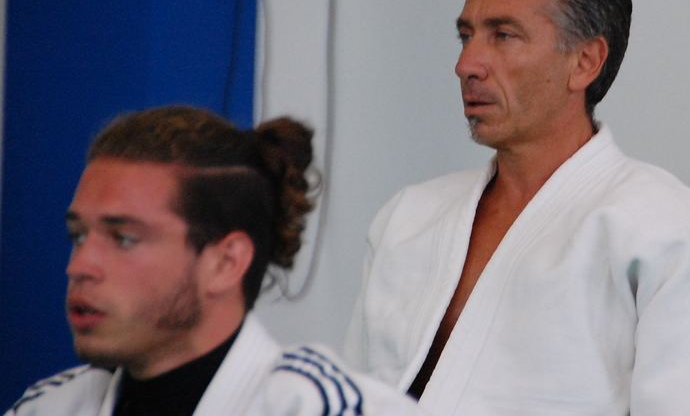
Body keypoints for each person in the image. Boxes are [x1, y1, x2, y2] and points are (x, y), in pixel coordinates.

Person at [343, 0, 690, 416]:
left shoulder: (666, 229)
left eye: (503, 36)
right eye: (467, 36)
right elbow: (353, 398)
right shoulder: (409, 218)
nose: (466, 65)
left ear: (584, 62)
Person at [5, 105, 424, 416]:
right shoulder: (47, 407)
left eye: (124, 238)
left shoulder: (319, 406)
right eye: (78, 236)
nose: (79, 266)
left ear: (225, 263)